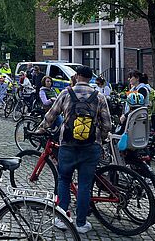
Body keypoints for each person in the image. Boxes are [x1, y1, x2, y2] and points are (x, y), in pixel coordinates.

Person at [37, 65, 112, 234]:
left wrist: (41, 128)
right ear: (90, 78)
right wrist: (103, 137)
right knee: (85, 185)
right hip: (91, 146)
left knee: (64, 180)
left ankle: (63, 219)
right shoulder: (98, 96)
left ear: (77, 76)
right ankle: (81, 223)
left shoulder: (66, 93)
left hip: (68, 145)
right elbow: (107, 123)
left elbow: (51, 115)